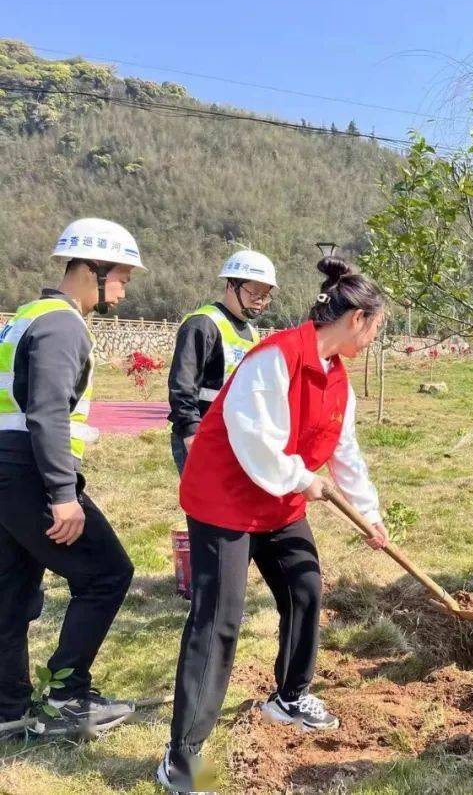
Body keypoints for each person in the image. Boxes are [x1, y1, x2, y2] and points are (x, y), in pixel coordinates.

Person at [157, 256, 389, 792]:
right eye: (376, 328)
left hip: (279, 504)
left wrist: (370, 516)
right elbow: (253, 438)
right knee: (219, 619)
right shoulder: (275, 358)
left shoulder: (338, 380)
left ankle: (289, 696)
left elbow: (345, 452)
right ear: (356, 319)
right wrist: (297, 476)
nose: (374, 339)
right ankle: (182, 756)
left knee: (306, 587)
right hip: (226, 501)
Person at [0, 218, 146, 740]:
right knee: (107, 573)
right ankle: (65, 698)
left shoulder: (26, 316)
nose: (124, 289)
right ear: (94, 268)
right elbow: (47, 414)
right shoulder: (63, 324)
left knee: (11, 592)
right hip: (30, 473)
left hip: (7, 468)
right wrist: (63, 495)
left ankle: (9, 707)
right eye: (121, 278)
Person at [167, 250, 277, 473]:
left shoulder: (251, 333)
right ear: (231, 286)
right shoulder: (203, 324)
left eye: (265, 295)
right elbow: (182, 385)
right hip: (201, 436)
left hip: (235, 436)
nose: (259, 301)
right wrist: (190, 432)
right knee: (204, 507)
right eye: (253, 292)